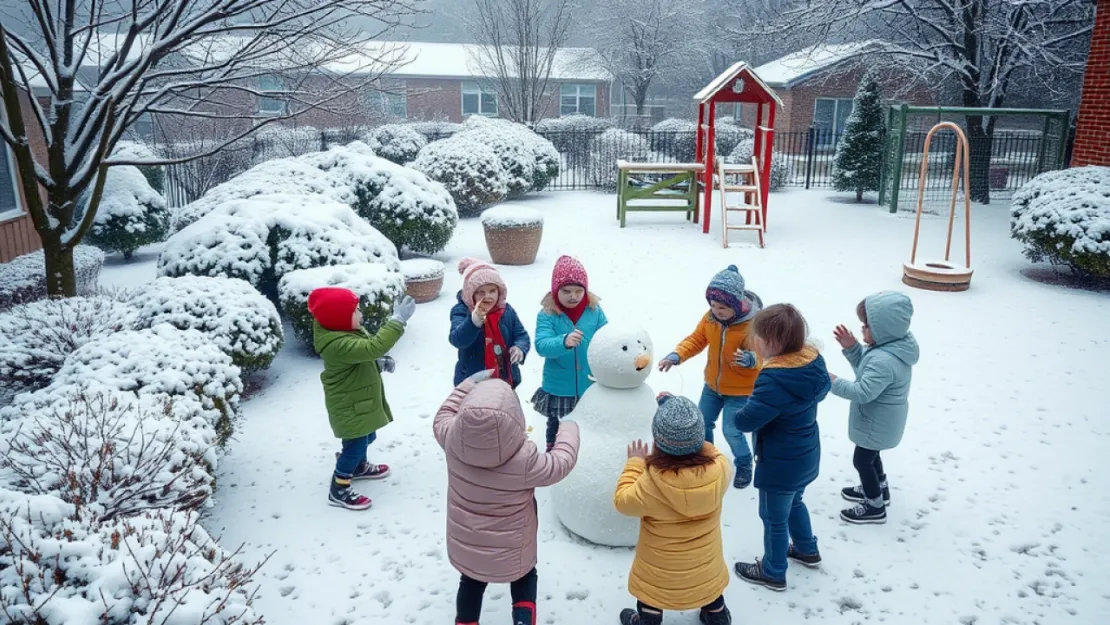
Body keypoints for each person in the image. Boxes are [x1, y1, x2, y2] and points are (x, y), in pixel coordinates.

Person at [434, 370, 580, 625]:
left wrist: (469, 384)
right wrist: (568, 430)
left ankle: (466, 621)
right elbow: (561, 463)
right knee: (524, 577)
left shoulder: (451, 439)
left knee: (471, 579)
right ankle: (523, 620)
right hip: (514, 546)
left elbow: (443, 414)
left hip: (468, 542)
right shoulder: (525, 460)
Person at [731, 304, 829, 591]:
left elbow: (746, 421)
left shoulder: (774, 379)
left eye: (757, 338)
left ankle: (773, 571)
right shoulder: (812, 363)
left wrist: (739, 409)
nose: (754, 343)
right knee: (795, 501)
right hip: (806, 453)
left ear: (771, 343)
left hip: (780, 462)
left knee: (773, 518)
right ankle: (807, 549)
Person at [614, 394, 733, 625]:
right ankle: (717, 616)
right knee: (708, 588)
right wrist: (689, 434)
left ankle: (648, 620)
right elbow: (711, 450)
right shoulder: (721, 469)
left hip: (659, 572)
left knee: (651, 593)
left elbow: (622, 501)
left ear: (658, 441)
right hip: (705, 566)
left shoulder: (650, 484)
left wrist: (635, 463)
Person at [308, 287, 416, 510]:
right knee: (355, 446)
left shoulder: (344, 334)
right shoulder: (337, 344)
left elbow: (359, 358)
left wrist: (377, 364)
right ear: (338, 319)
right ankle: (339, 487)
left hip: (358, 403)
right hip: (349, 407)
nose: (361, 314)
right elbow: (372, 348)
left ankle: (358, 467)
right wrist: (397, 321)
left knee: (368, 436)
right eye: (356, 311)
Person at [657, 265, 762, 488]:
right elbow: (696, 339)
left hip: (741, 391)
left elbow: (765, 355)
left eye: (723, 307)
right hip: (712, 387)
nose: (717, 310)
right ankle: (707, 458)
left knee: (732, 430)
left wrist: (751, 360)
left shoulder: (752, 325)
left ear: (736, 303)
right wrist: (676, 355)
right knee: (702, 423)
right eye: (713, 305)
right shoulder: (711, 319)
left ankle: (744, 462)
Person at [830, 291, 919, 525]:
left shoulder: (884, 360)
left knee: (862, 460)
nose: (862, 330)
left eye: (866, 326)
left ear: (883, 329)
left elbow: (863, 391)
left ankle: (874, 506)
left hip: (876, 420)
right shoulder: (889, 348)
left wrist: (831, 381)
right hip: (881, 420)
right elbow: (866, 370)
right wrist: (852, 349)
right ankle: (880, 489)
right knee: (871, 455)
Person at [532, 255, 608, 450]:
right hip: (559, 386)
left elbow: (606, 337)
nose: (573, 296)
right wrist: (563, 341)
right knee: (557, 425)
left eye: (578, 291)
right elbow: (542, 345)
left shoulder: (594, 311)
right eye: (566, 291)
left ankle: (586, 452)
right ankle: (553, 453)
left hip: (589, 383)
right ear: (556, 290)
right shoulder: (547, 314)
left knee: (588, 423)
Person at [449, 258, 531, 388]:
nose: (487, 296)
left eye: (492, 291)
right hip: (473, 381)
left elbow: (521, 335)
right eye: (481, 292)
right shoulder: (461, 311)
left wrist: (520, 348)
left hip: (504, 379)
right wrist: (473, 321)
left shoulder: (506, 311)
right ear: (471, 293)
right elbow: (457, 339)